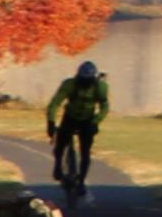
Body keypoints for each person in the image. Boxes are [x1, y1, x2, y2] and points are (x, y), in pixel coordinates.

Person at [41, 61, 111, 201]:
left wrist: (96, 121)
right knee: (60, 143)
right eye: (82, 81)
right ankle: (58, 165)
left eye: (88, 81)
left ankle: (81, 181)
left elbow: (104, 106)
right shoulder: (69, 84)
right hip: (70, 118)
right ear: (77, 77)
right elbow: (55, 103)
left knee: (85, 151)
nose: (85, 84)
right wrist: (51, 122)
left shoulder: (100, 87)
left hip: (88, 120)